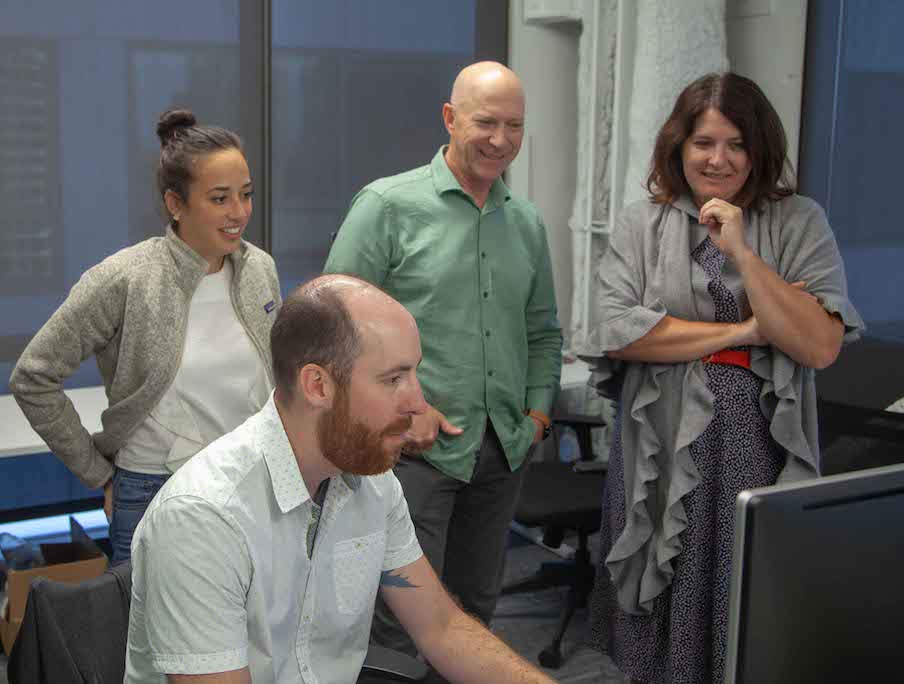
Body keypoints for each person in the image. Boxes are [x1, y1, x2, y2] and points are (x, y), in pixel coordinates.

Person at [123, 274, 558, 684]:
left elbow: (442, 628)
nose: (418, 402)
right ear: (318, 386)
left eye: (414, 372)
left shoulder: (373, 483)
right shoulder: (204, 518)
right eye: (394, 378)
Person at [580, 73, 865, 684]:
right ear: (678, 147)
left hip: (754, 448)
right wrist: (744, 332)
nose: (718, 158)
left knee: (744, 595)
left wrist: (742, 252)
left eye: (736, 143)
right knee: (658, 595)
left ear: (758, 149)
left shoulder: (798, 222)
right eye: (703, 141)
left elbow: (818, 343)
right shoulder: (641, 224)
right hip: (653, 444)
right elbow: (617, 329)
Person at [324, 61, 563, 655]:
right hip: (411, 455)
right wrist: (404, 411)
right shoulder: (388, 206)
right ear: (451, 119)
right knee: (401, 621)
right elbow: (332, 325)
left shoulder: (527, 223)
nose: (500, 140)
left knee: (476, 610)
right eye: (486, 122)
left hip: (502, 452)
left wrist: (536, 417)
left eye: (515, 126)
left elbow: (543, 333)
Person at [9, 109, 280, 563]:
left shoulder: (260, 271)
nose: (239, 213)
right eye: (219, 199)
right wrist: (98, 473)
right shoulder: (126, 278)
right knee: (149, 633)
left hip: (250, 480)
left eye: (246, 195)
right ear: (176, 204)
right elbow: (33, 377)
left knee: (249, 628)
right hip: (155, 488)